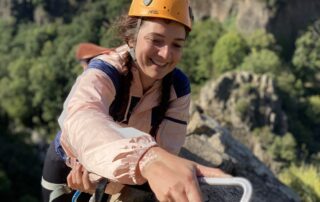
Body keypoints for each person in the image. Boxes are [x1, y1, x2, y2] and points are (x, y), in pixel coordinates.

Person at [41, 0, 230, 201]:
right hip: (69, 169)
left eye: (177, 44)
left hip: (116, 176)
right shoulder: (105, 72)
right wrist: (146, 159)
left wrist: (112, 179)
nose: (165, 54)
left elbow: (167, 150)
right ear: (131, 38)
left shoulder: (177, 88)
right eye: (156, 40)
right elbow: (83, 117)